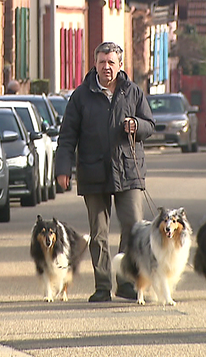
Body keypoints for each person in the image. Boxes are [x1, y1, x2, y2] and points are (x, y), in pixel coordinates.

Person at [54, 41, 155, 302]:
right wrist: (63, 169)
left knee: (132, 229)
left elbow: (151, 125)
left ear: (120, 65)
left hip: (128, 170)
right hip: (92, 172)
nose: (106, 67)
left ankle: (126, 282)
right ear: (95, 64)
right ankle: (102, 286)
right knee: (98, 233)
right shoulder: (81, 96)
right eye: (102, 62)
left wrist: (137, 125)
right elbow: (67, 137)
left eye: (111, 62)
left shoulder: (132, 92)